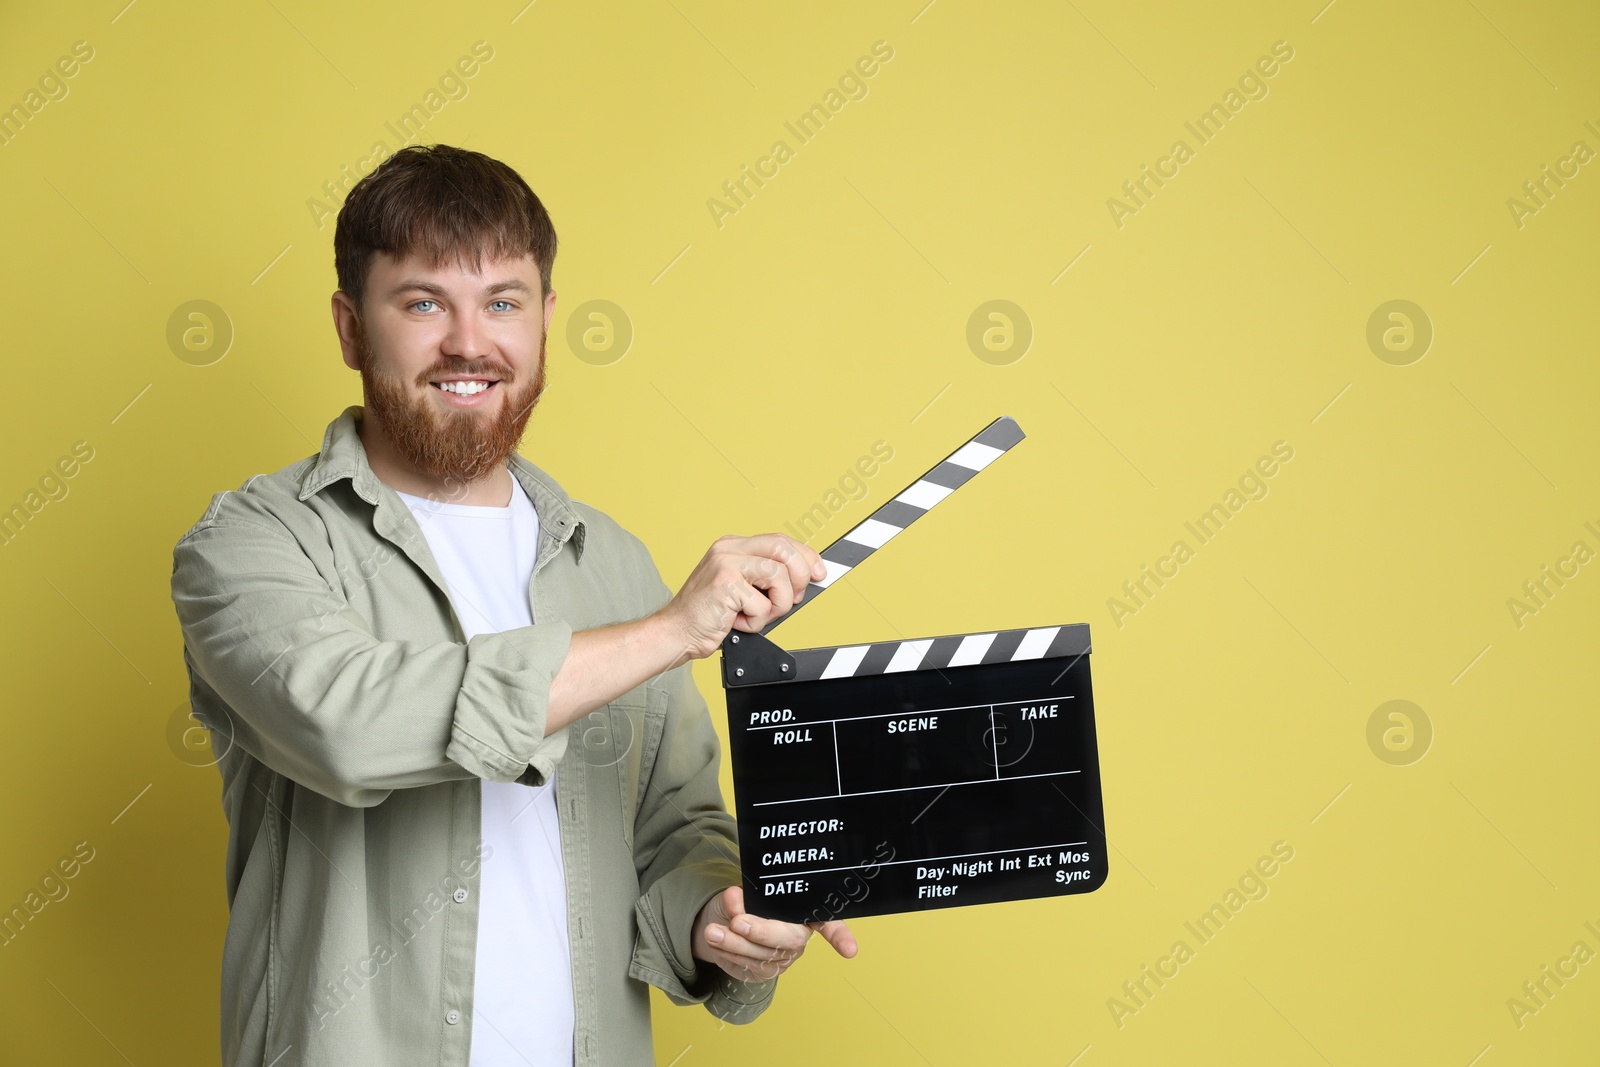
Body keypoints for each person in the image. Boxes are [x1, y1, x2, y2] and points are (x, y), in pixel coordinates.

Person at [169, 143, 857, 1067]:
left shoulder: (611, 560)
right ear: (349, 327)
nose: (468, 342)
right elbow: (348, 722)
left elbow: (674, 825)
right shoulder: (254, 541)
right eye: (422, 302)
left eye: (503, 301)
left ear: (544, 319)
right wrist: (666, 632)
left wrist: (719, 918)